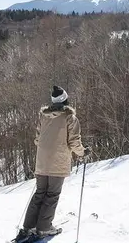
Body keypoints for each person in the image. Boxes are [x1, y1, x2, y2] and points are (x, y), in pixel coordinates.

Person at [15, 86, 89, 240]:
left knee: (39, 193)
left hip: (42, 161)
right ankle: (44, 228)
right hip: (58, 160)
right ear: (66, 99)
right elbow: (74, 141)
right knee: (52, 195)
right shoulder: (70, 117)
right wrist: (83, 152)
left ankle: (29, 227)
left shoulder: (44, 116)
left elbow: (37, 139)